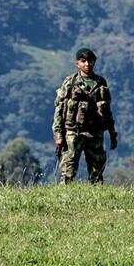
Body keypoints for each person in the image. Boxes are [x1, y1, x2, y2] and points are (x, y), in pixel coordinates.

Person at [52, 47, 118, 184]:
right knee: (68, 169)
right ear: (78, 64)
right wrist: (58, 135)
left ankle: (97, 199)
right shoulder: (70, 82)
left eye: (90, 61)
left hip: (95, 132)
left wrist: (112, 133)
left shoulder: (100, 82)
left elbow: (107, 110)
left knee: (97, 170)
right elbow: (59, 109)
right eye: (83, 61)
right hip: (73, 132)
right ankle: (63, 197)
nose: (87, 64)